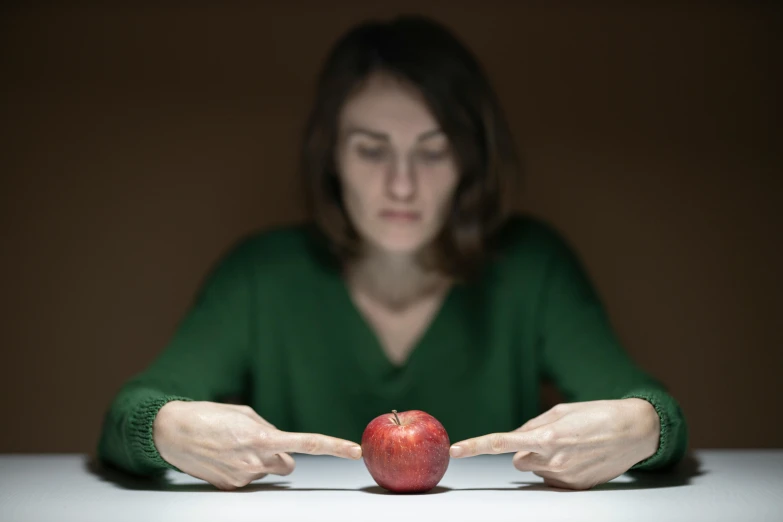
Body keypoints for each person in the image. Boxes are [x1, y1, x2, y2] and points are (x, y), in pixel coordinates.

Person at [97, 15, 688, 492]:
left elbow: (655, 412)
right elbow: (129, 415)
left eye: (433, 151)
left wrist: (643, 427)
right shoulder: (261, 274)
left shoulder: (532, 266)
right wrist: (168, 428)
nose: (402, 185)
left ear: (469, 160)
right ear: (331, 155)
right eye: (372, 150)